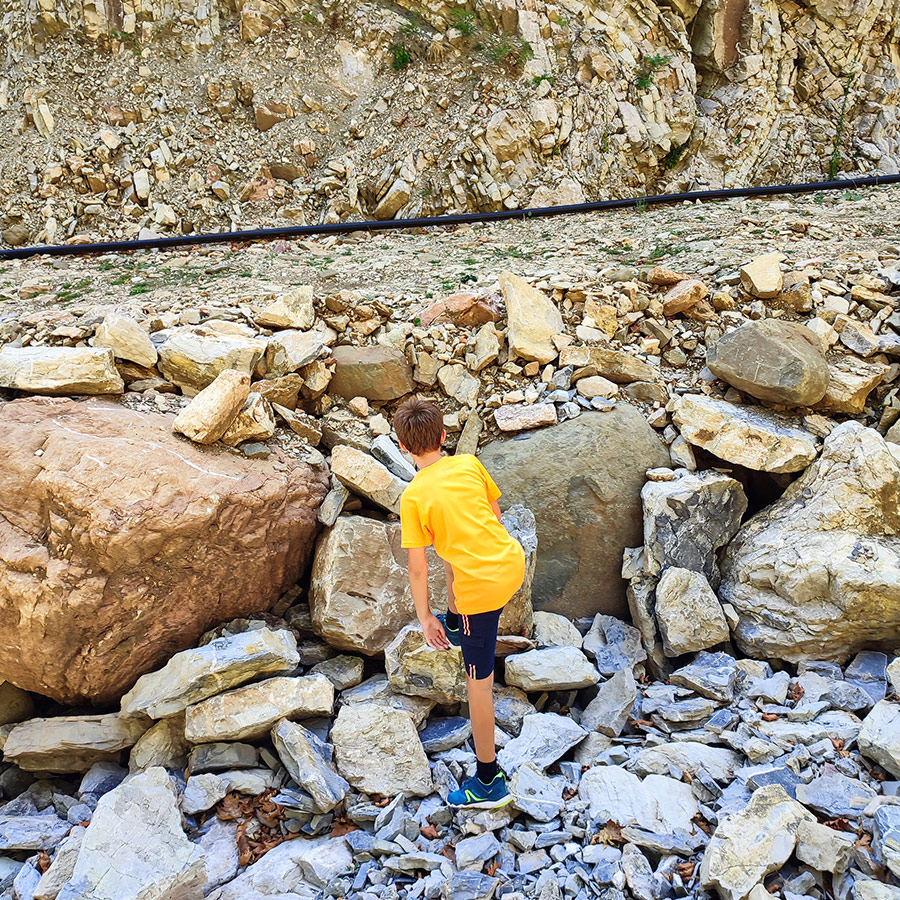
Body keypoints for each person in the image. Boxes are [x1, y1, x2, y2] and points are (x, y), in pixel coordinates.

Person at [393, 396, 526, 808]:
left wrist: (424, 618)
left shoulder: (413, 497)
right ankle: (454, 620)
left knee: (478, 683)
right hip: (512, 563)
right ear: (444, 436)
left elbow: (417, 569)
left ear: (403, 447)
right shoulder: (469, 463)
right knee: (452, 551)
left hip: (480, 594)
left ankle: (488, 779)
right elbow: (494, 516)